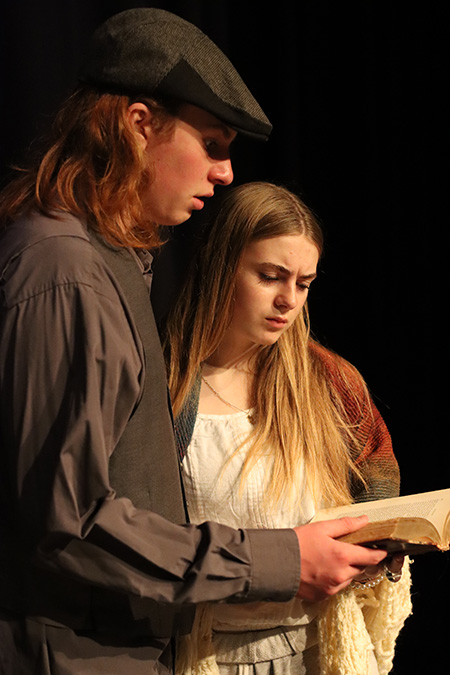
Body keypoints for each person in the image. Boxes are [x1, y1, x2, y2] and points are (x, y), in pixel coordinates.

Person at [0, 8, 391, 674]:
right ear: (139, 124)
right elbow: (71, 524)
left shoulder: (112, 263)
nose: (226, 172)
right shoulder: (64, 271)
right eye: (212, 143)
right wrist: (283, 559)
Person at [164, 182, 412, 675]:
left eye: (303, 283)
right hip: (209, 653)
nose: (288, 300)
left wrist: (378, 546)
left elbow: (376, 489)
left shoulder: (327, 380)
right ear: (220, 266)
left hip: (317, 647)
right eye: (270, 276)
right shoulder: (165, 386)